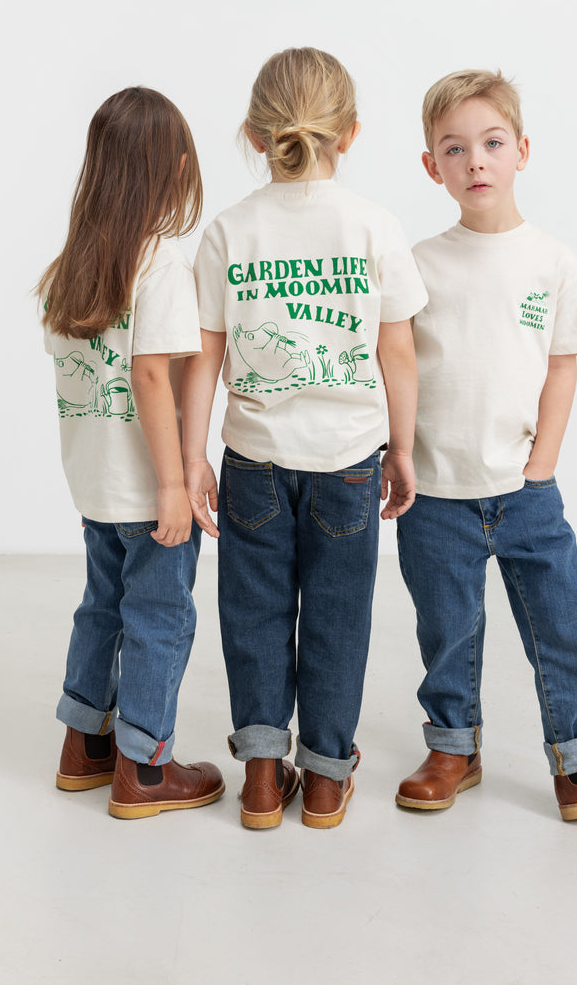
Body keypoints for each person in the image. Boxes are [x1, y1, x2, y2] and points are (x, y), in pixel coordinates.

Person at [395, 69, 577, 820]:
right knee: (447, 629)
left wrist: (541, 466)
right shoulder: (419, 264)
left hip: (525, 491)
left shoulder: (554, 263)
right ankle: (453, 747)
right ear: (433, 166)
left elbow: (561, 367)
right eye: (455, 150)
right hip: (435, 492)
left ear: (522, 149)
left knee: (561, 620)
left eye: (492, 143)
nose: (476, 162)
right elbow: (395, 366)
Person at [182, 47, 427, 829]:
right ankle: (324, 778)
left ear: (255, 135)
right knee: (338, 613)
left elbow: (205, 359)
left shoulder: (229, 230)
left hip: (253, 458)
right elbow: (399, 353)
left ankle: (260, 775)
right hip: (348, 462)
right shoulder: (375, 226)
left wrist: (191, 459)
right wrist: (406, 448)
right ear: (348, 133)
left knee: (252, 611)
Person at [39, 86, 224, 820]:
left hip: (93, 484)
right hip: (149, 491)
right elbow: (151, 373)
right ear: (176, 168)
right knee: (160, 615)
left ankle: (84, 746)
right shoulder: (161, 266)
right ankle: (145, 769)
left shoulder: (72, 269)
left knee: (103, 609)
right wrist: (174, 482)